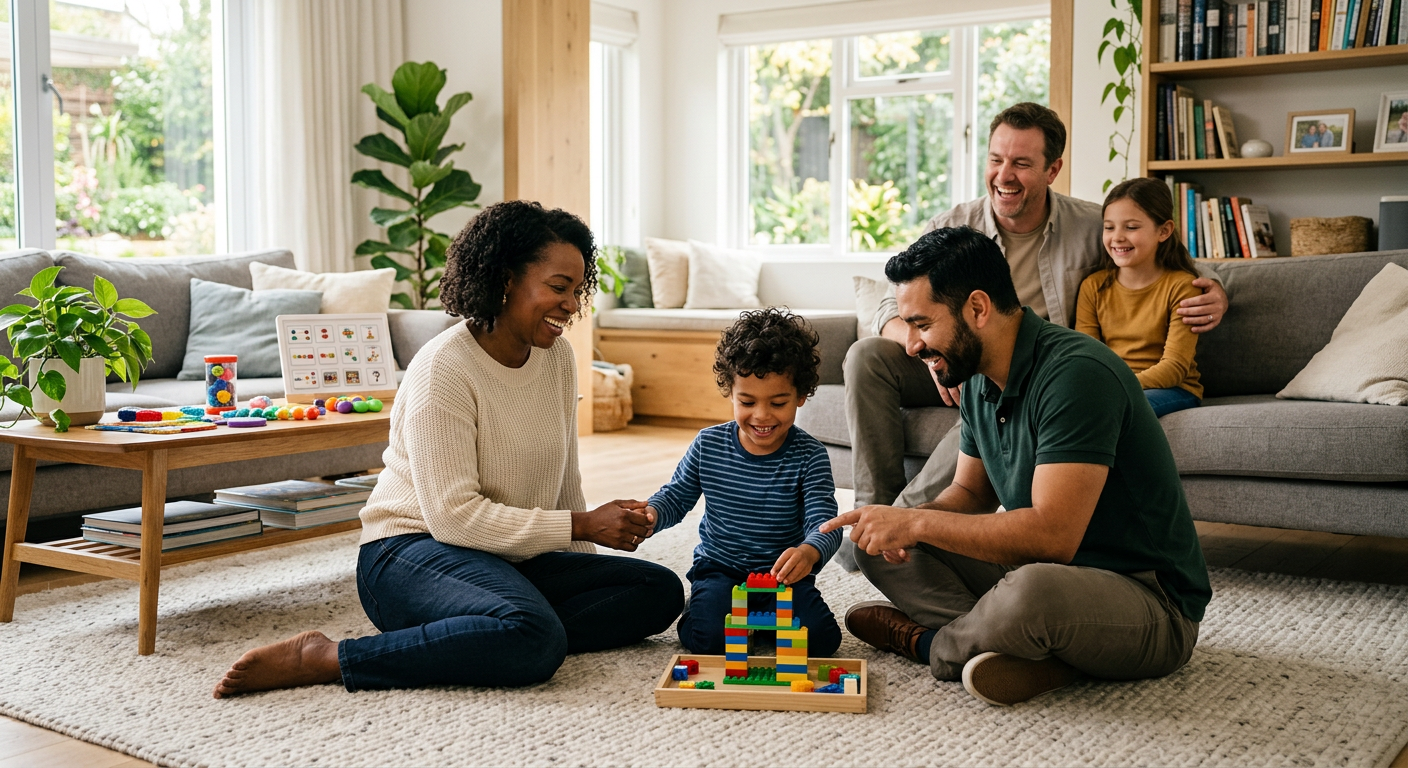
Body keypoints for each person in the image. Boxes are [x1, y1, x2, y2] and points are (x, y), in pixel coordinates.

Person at [212, 201, 684, 698]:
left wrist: (586, 561)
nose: (571, 305)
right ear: (505, 280)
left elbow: (565, 483)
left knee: (656, 591)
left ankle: (493, 634)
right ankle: (329, 656)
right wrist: (583, 524)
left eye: (576, 290)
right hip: (408, 554)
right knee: (536, 638)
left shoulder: (558, 359)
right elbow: (454, 518)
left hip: (508, 556)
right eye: (558, 288)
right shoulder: (445, 368)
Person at [825, 226, 1210, 707]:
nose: (912, 346)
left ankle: (934, 646)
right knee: (876, 543)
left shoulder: (1076, 375)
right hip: (1053, 570)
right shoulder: (981, 379)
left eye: (923, 324)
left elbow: (1053, 536)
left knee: (1031, 590)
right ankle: (1012, 646)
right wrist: (907, 526)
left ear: (978, 309)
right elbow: (968, 495)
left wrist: (919, 520)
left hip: (1150, 600)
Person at [840, 102, 1227, 569]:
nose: (1005, 174)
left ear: (1052, 169)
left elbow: (1161, 262)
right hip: (953, 356)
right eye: (996, 159)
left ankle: (901, 529)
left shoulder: (1092, 226)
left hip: (1019, 372)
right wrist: (929, 345)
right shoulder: (952, 225)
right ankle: (871, 517)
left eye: (1022, 163)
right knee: (865, 356)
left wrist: (1215, 289)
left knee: (986, 399)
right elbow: (892, 303)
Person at [644, 308, 844, 657]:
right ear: (730, 393)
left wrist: (809, 552)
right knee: (706, 641)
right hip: (721, 569)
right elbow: (676, 497)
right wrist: (650, 515)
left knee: (823, 641)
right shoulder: (708, 444)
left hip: (782, 576)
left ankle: (753, 619)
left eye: (778, 402)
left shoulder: (809, 455)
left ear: (800, 396)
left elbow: (824, 521)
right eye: (747, 402)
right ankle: (712, 608)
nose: (762, 416)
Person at [1075, 177, 1203, 418]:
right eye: (1109, 227)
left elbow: (1174, 368)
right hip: (1110, 388)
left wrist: (1116, 386)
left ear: (1164, 231)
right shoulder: (1093, 287)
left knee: (1113, 410)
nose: (1117, 237)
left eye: (1131, 227)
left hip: (1172, 389)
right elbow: (1087, 358)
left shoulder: (1182, 286)